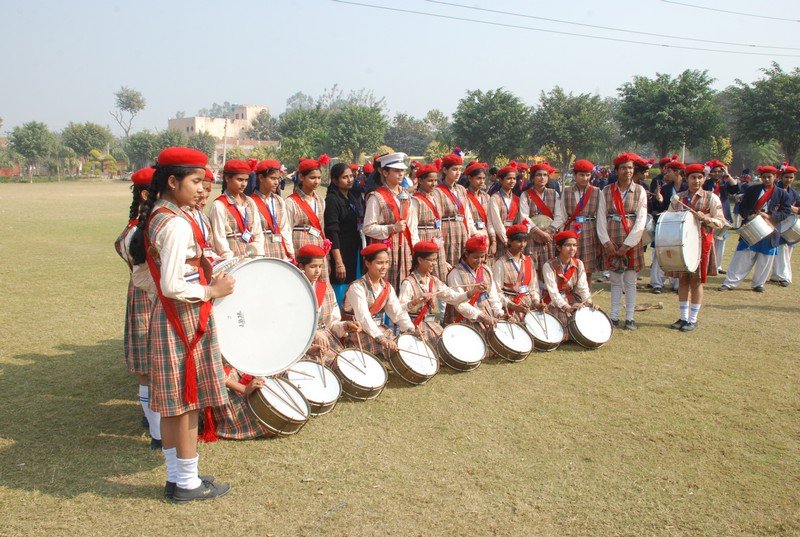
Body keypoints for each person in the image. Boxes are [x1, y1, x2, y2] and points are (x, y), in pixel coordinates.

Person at [128, 146, 234, 501]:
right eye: (195, 181)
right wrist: (211, 288)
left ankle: (179, 477)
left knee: (175, 405)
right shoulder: (173, 223)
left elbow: (143, 276)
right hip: (184, 320)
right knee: (187, 403)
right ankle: (186, 484)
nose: (201, 188)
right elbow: (172, 284)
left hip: (170, 316)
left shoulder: (157, 214)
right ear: (173, 181)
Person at [114, 167, 160, 444]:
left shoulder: (138, 228)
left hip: (147, 296)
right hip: (148, 297)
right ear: (146, 194)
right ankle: (157, 431)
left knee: (153, 367)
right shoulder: (139, 232)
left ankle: (154, 424)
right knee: (148, 367)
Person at [663, 164, 725, 332]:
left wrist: (707, 218)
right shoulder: (679, 198)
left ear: (704, 179)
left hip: (701, 244)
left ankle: (693, 319)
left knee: (696, 281)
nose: (696, 181)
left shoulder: (711, 197)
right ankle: (683, 318)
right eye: (693, 177)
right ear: (686, 179)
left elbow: (721, 222)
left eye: (699, 177)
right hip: (682, 244)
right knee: (682, 280)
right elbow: (669, 217)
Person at [719, 165, 792, 292]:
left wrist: (769, 216)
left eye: (769, 177)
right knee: (742, 255)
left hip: (770, 229)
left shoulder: (782, 194)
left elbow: (785, 212)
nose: (767, 179)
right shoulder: (753, 190)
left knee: (765, 258)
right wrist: (749, 215)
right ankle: (730, 283)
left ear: (775, 177)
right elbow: (743, 207)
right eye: (764, 177)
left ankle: (758, 284)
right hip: (752, 226)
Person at [597, 152, 648, 330]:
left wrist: (628, 244)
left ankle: (630, 317)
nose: (627, 171)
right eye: (623, 168)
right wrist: (606, 243)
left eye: (630, 168)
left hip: (631, 240)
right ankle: (614, 316)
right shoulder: (606, 191)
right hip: (612, 238)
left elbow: (641, 219)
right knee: (615, 280)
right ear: (616, 171)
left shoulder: (640, 191)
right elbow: (601, 218)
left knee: (631, 280)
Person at [342, 243, 416, 360]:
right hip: (355, 330)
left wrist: (411, 329)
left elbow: (397, 312)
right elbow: (363, 318)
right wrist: (380, 338)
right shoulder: (357, 287)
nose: (384, 267)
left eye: (386, 262)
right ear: (367, 263)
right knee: (387, 350)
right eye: (380, 263)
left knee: (403, 347)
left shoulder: (387, 287)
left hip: (377, 329)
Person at [297, 244, 360, 364]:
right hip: (301, 342)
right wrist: (313, 333)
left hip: (326, 339)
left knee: (344, 364)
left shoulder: (326, 289)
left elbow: (332, 324)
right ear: (301, 266)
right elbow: (290, 324)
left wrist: (346, 325)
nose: (317, 271)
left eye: (320, 266)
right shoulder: (293, 289)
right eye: (313, 266)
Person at [362, 152, 415, 291]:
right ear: (384, 172)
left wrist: (414, 247)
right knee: (382, 288)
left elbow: (412, 225)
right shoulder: (376, 197)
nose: (400, 174)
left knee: (403, 288)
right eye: (396, 171)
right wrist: (391, 228)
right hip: (384, 249)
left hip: (404, 247)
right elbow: (367, 228)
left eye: (402, 170)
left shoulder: (406, 194)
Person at [398, 241, 470, 341]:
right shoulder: (408, 283)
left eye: (435, 260)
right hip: (415, 326)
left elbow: (453, 298)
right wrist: (416, 301)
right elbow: (400, 309)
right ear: (419, 260)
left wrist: (471, 293)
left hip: (433, 324)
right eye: (431, 260)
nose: (434, 263)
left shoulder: (434, 281)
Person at [444, 235, 508, 331]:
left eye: (482, 257)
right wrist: (481, 316)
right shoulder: (455, 273)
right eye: (475, 257)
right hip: (464, 318)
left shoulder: (486, 270)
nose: (479, 261)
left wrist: (498, 312)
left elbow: (492, 295)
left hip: (487, 315)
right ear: (466, 254)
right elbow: (459, 303)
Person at [325, 162, 365, 304]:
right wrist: (338, 262)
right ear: (335, 181)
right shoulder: (332, 200)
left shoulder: (351, 197)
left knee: (353, 287)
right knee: (341, 287)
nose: (350, 180)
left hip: (354, 250)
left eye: (351, 176)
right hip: (341, 251)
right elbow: (332, 232)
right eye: (344, 177)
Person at [541, 230, 594, 334]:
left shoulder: (579, 263)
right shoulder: (549, 265)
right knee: (562, 329)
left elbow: (583, 288)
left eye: (575, 245)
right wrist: (567, 307)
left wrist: (588, 303)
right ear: (559, 247)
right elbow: (553, 292)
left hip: (571, 298)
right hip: (553, 301)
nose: (572, 248)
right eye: (568, 245)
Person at [209, 159, 264, 259]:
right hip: (232, 257)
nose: (244, 184)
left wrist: (257, 251)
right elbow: (219, 238)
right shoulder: (219, 205)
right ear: (227, 178)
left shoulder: (250, 202)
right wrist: (229, 259)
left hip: (252, 255)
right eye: (239, 180)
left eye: (246, 180)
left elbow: (257, 231)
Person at [287, 155, 331, 281]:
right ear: (301, 177)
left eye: (318, 178)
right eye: (312, 178)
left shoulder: (321, 201)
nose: (316, 181)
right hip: (299, 245)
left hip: (317, 245)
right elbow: (287, 229)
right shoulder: (291, 202)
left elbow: (321, 227)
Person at [520, 162, 565, 278]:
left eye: (545, 175)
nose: (542, 178)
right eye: (539, 175)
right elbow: (524, 217)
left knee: (549, 269)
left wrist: (548, 232)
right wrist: (540, 233)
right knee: (532, 268)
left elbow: (559, 217)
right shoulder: (525, 195)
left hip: (549, 238)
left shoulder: (553, 194)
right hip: (532, 237)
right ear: (533, 178)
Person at [649, 159, 688, 294]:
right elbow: (657, 208)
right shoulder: (665, 189)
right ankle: (657, 283)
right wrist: (659, 200)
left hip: (682, 226)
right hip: (666, 225)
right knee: (660, 252)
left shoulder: (687, 189)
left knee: (680, 253)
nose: (666, 173)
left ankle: (677, 283)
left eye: (670, 171)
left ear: (677, 172)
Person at [433, 152, 478, 268]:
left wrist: (473, 233)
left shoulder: (461, 189)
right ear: (445, 170)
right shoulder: (437, 191)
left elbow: (467, 214)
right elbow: (437, 217)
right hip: (446, 231)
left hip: (461, 230)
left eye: (460, 169)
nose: (458, 173)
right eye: (454, 169)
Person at [560, 159, 602, 281]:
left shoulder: (596, 191)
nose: (585, 178)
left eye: (588, 175)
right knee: (570, 264)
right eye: (582, 175)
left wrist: (599, 238)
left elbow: (600, 215)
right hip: (572, 230)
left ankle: (586, 297)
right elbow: (562, 214)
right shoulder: (566, 191)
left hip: (590, 229)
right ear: (575, 175)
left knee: (587, 269)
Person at [410, 161, 449, 281]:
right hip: (424, 238)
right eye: (430, 181)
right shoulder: (415, 200)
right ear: (420, 181)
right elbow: (412, 227)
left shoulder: (435, 198)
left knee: (439, 273)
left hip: (436, 239)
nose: (434, 184)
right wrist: (416, 248)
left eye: (435, 181)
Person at [492, 224, 541, 314]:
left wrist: (537, 302)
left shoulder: (528, 261)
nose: (522, 245)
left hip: (528, 307)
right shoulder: (500, 263)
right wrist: (513, 305)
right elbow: (496, 292)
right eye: (519, 241)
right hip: (510, 309)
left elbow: (533, 288)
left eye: (525, 241)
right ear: (509, 241)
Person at [250, 159, 294, 261]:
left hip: (279, 248)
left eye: (278, 179)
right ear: (261, 178)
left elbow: (284, 229)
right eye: (272, 178)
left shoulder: (279, 201)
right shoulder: (250, 202)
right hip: (261, 250)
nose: (277, 182)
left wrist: (290, 252)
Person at [702, 159, 739, 273]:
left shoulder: (725, 183)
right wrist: (706, 174)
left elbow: (736, 189)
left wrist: (727, 174)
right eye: (715, 171)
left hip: (724, 215)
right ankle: (706, 264)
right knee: (708, 241)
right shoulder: (706, 183)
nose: (717, 174)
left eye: (720, 171)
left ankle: (717, 266)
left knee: (721, 242)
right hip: (709, 215)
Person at [770, 163, 799, 286]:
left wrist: (791, 208)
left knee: (787, 249)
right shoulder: (774, 190)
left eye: (791, 177)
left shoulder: (794, 193)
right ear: (781, 177)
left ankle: (777, 275)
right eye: (786, 177)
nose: (789, 180)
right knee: (780, 249)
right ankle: (784, 276)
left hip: (789, 224)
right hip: (776, 222)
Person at [488, 162, 523, 260]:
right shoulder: (494, 198)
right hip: (501, 238)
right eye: (509, 178)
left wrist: (517, 239)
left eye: (514, 178)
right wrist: (506, 240)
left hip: (514, 239)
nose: (512, 181)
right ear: (501, 180)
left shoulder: (517, 199)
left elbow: (519, 220)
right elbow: (496, 222)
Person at [464, 161, 496, 258]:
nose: (482, 181)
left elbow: (490, 220)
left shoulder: (486, 197)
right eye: (478, 178)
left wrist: (493, 240)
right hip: (471, 235)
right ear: (470, 178)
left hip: (486, 234)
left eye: (483, 178)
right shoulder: (464, 195)